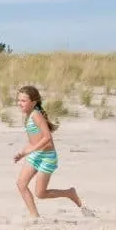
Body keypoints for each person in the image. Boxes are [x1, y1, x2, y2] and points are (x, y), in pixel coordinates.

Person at [14, 85, 83, 218]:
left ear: (33, 102)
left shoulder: (36, 115)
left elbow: (47, 138)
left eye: (23, 101)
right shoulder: (28, 116)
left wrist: (30, 151)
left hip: (47, 157)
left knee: (40, 193)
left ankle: (69, 193)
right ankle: (35, 217)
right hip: (36, 155)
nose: (19, 103)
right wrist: (22, 153)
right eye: (18, 100)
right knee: (21, 184)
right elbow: (33, 141)